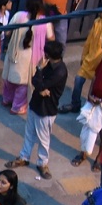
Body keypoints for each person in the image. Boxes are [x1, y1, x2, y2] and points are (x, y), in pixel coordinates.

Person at [9, 39, 66, 179]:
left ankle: (42, 163)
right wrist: (40, 87)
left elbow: (41, 83)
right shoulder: (49, 65)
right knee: (29, 133)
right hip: (36, 104)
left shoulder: (59, 71)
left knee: (43, 138)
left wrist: (40, 73)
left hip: (46, 109)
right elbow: (35, 81)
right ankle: (24, 157)